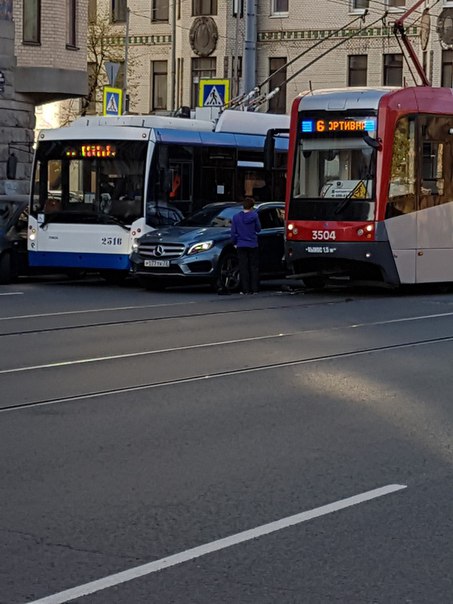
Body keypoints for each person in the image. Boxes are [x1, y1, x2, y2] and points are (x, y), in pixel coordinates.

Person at [231, 197, 261, 294]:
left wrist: (235, 243)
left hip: (241, 244)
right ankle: (255, 289)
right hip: (252, 244)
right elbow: (258, 229)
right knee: (254, 267)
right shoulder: (254, 216)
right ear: (252, 206)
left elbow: (233, 233)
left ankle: (245, 289)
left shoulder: (236, 217)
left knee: (243, 267)